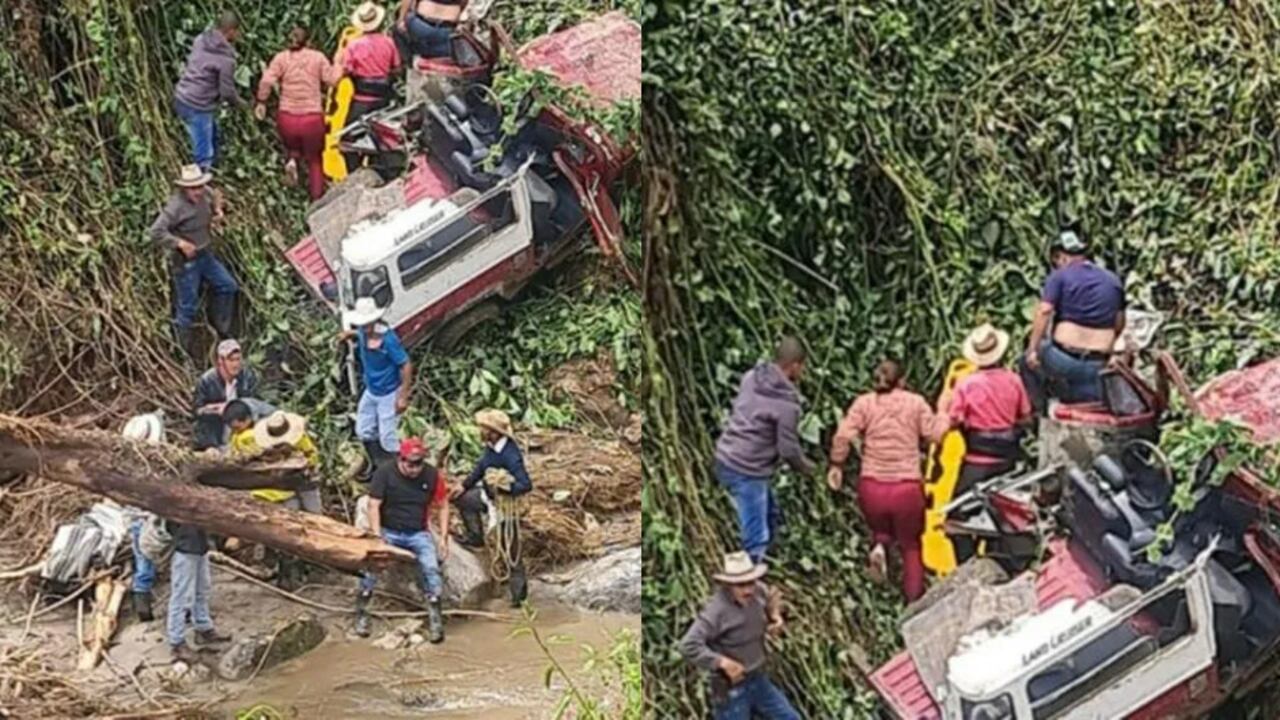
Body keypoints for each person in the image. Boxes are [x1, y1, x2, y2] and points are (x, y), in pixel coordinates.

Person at [827, 360, 948, 602]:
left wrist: (836, 464)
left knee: (880, 528)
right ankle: (914, 604)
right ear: (902, 381)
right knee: (911, 546)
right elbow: (934, 435)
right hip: (906, 489)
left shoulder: (864, 404)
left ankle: (880, 546)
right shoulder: (915, 403)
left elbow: (842, 435)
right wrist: (944, 413)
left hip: (872, 487)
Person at [712, 337, 817, 564]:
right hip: (747, 470)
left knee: (771, 514)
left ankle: (766, 562)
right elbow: (788, 450)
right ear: (796, 366)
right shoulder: (788, 404)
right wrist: (808, 468)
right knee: (757, 538)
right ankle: (748, 586)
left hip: (724, 455)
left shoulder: (752, 377)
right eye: (804, 367)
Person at [939, 325, 1033, 561]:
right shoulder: (1014, 381)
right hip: (1008, 464)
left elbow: (953, 420)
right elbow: (1026, 418)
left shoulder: (967, 384)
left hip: (976, 463)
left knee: (954, 520)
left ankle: (966, 564)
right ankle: (998, 563)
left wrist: (943, 406)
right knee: (1005, 519)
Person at [679, 552, 797, 720]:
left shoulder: (759, 590)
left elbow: (772, 597)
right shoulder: (716, 611)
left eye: (751, 582)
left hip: (757, 677)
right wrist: (722, 663)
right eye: (741, 585)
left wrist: (775, 616)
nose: (748, 590)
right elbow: (688, 645)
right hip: (730, 687)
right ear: (729, 585)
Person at [354, 438, 449, 642]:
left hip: (418, 532)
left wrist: (443, 538)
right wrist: (377, 536)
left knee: (431, 567)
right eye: (410, 463)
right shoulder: (384, 473)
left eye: (418, 464)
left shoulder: (432, 475)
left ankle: (435, 616)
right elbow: (373, 505)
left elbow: (442, 505)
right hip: (390, 530)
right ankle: (362, 612)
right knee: (370, 566)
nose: (414, 469)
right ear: (400, 459)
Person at [1020, 230, 1126, 412]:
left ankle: (1040, 415)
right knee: (1086, 395)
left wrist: (1032, 350)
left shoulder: (1060, 276)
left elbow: (1044, 311)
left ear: (1061, 257)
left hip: (1064, 360)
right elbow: (1120, 322)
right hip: (1099, 363)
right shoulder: (1113, 280)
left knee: (1026, 361)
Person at [150, 165, 238, 359]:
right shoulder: (175, 207)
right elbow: (155, 232)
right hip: (186, 262)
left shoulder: (205, 192)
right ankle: (181, 354)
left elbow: (215, 195)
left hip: (205, 255)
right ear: (184, 188)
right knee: (187, 308)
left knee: (228, 286)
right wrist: (179, 243)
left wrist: (217, 210)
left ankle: (222, 330)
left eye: (200, 186)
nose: (198, 191)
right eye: (193, 188)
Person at [255, 27, 337, 200]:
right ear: (308, 42)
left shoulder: (281, 58)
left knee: (293, 146)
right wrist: (339, 65)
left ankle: (292, 160)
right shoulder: (317, 57)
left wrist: (261, 101)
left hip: (287, 118)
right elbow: (331, 81)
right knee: (315, 160)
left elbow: (266, 81)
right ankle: (316, 200)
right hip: (311, 119)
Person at [340, 298, 413, 478]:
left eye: (367, 324)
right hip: (372, 390)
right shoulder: (364, 333)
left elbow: (406, 365)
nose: (364, 328)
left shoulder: (388, 340)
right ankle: (377, 463)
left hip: (388, 392)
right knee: (363, 430)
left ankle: (398, 472)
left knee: (389, 438)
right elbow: (360, 333)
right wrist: (351, 334)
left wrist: (402, 395)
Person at [173, 11, 248, 170]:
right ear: (231, 31)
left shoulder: (200, 39)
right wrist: (242, 105)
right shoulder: (227, 59)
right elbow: (227, 92)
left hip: (181, 95)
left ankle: (214, 169)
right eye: (238, 31)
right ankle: (200, 185)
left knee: (212, 135)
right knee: (203, 154)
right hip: (198, 105)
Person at [335, 2, 401, 174]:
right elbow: (397, 68)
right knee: (385, 140)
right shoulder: (389, 43)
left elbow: (344, 71)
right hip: (384, 101)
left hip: (361, 100)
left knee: (347, 142)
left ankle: (354, 173)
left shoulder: (354, 45)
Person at [454, 409, 532, 547]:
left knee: (507, 543)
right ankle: (475, 537)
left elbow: (525, 484)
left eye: (485, 429)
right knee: (465, 499)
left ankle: (514, 567)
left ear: (494, 433)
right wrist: (464, 485)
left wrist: (505, 487)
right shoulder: (491, 448)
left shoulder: (510, 455)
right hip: (488, 495)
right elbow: (481, 467)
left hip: (505, 504)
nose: (481, 431)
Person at [166, 519, 231, 663]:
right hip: (185, 548)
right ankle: (177, 642)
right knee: (181, 596)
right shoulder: (174, 502)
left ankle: (203, 628)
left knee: (203, 589)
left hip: (200, 547)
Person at [123, 413, 165, 622]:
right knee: (154, 556)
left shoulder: (125, 462)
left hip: (132, 516)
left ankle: (142, 603)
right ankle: (144, 604)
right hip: (148, 516)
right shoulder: (153, 465)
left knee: (143, 559)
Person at [192, 339, 260, 451]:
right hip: (216, 431)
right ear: (220, 361)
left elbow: (255, 404)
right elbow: (197, 411)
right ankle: (211, 447)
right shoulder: (207, 381)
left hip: (241, 429)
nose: (235, 364)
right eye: (231, 360)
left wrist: (233, 407)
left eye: (238, 360)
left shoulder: (248, 377)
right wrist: (212, 410)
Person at [393, 0, 464, 61]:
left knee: (398, 29)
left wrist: (401, 19)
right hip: (447, 30)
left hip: (421, 26)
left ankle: (411, 60)